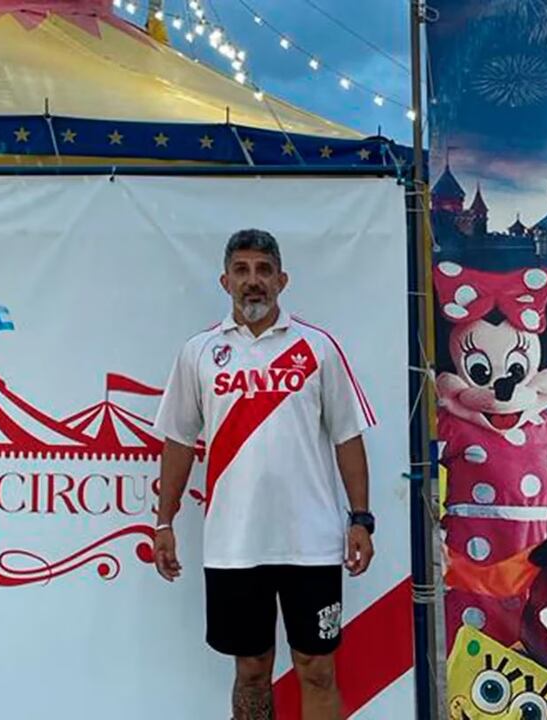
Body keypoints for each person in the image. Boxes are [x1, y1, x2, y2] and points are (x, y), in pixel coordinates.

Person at [152, 228, 377, 720]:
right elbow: (177, 440)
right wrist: (164, 522)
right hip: (235, 544)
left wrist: (361, 518)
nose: (253, 281)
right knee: (251, 668)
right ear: (224, 281)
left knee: (316, 667)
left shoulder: (317, 348)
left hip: (312, 541)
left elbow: (347, 436)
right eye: (241, 270)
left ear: (282, 280)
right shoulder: (198, 353)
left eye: (263, 270)